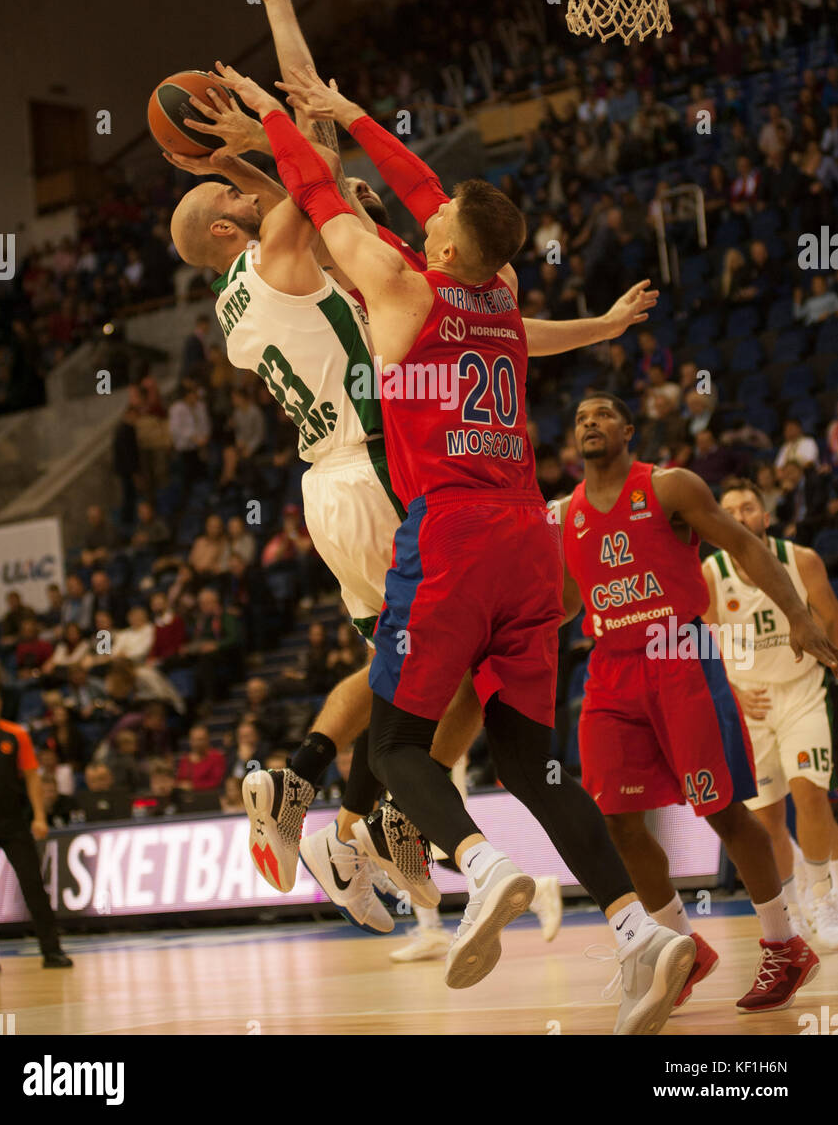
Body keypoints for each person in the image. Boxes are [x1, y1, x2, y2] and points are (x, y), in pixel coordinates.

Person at [261, 64, 693, 1032]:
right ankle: (641, 930)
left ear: (446, 240)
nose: (428, 211)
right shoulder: (494, 290)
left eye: (440, 215)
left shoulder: (402, 285)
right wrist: (354, 113)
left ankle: (482, 865)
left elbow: (323, 196)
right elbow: (427, 189)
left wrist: (271, 116)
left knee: (396, 742)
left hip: (453, 535)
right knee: (530, 757)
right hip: (531, 543)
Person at [558, 394, 837, 1011]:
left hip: (678, 654)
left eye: (602, 414)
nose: (589, 423)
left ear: (628, 430)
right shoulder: (566, 516)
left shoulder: (668, 488)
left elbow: (742, 544)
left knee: (722, 809)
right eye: (579, 418)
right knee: (615, 820)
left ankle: (784, 945)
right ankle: (682, 949)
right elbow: (566, 602)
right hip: (608, 670)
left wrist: (796, 613)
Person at [703, 479, 838, 947]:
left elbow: (831, 618)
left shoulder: (802, 559)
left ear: (765, 515)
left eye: (748, 507)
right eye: (729, 510)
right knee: (768, 822)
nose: (739, 517)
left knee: (811, 794)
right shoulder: (711, 572)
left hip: (801, 693)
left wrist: (823, 645)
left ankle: (822, 894)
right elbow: (706, 645)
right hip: (751, 703)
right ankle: (792, 907)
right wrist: (734, 695)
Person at [0, 684, 72, 972]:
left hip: (13, 822)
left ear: (0, 705)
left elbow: (31, 777)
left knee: (33, 885)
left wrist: (39, 816)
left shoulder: (16, 735)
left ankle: (52, 951)